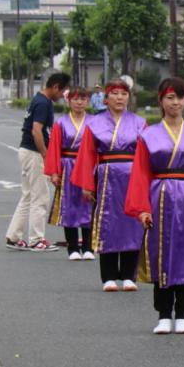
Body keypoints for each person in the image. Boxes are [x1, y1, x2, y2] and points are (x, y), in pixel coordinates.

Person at [125, 78, 184, 334]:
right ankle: (164, 314)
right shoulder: (148, 135)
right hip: (159, 199)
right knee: (161, 254)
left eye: (179, 97)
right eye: (169, 97)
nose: (175, 102)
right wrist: (142, 208)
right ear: (161, 101)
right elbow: (141, 173)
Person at [72, 78, 147, 292]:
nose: (120, 98)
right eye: (115, 93)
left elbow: (146, 155)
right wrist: (87, 184)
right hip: (106, 178)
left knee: (133, 223)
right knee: (108, 224)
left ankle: (129, 275)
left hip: (133, 177)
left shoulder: (139, 123)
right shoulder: (94, 124)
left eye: (124, 94)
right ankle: (109, 277)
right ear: (106, 98)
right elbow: (87, 155)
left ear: (128, 98)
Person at [4, 72, 70, 252]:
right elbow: (37, 130)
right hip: (33, 152)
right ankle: (36, 239)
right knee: (40, 197)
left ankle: (14, 236)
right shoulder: (43, 103)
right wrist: (45, 155)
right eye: (62, 91)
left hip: (26, 151)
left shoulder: (39, 99)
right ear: (55, 86)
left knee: (27, 196)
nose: (62, 96)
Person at [44, 87, 94, 260]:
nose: (79, 102)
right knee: (69, 206)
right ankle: (72, 248)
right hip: (68, 166)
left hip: (88, 166)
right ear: (69, 101)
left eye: (83, 99)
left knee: (89, 205)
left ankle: (88, 247)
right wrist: (54, 172)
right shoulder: (61, 123)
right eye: (75, 99)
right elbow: (54, 148)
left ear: (88, 101)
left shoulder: (94, 122)